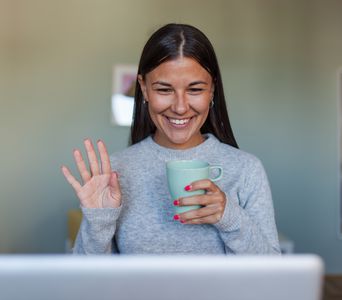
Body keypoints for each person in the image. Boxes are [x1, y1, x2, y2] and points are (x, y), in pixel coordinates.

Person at [61, 23, 281, 255]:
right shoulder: (115, 173)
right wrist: (99, 222)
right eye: (164, 90)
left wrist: (229, 217)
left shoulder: (246, 170)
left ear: (212, 90)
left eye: (195, 90)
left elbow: (272, 277)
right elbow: (87, 285)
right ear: (144, 89)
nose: (180, 107)